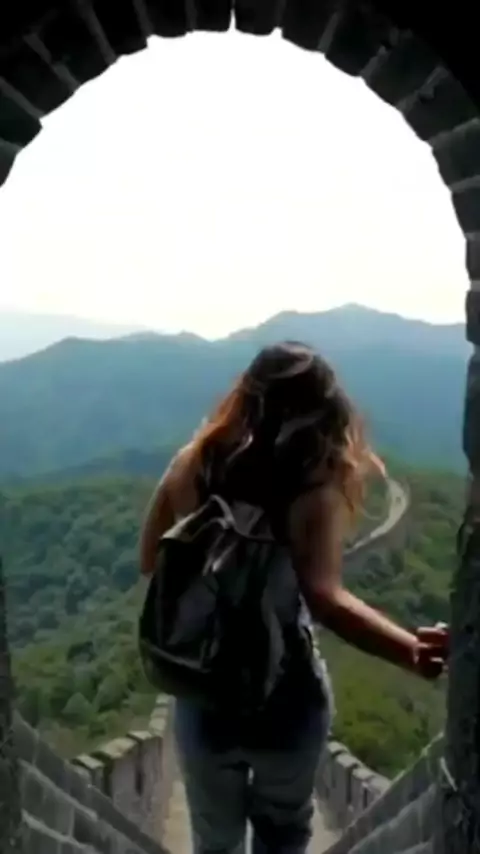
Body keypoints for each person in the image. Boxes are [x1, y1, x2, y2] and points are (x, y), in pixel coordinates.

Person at [139, 341, 448, 854]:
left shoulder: (190, 464)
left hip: (203, 692)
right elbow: (326, 600)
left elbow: (151, 558)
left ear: (244, 395)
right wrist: (411, 651)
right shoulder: (313, 490)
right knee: (283, 833)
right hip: (286, 698)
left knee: (214, 840)